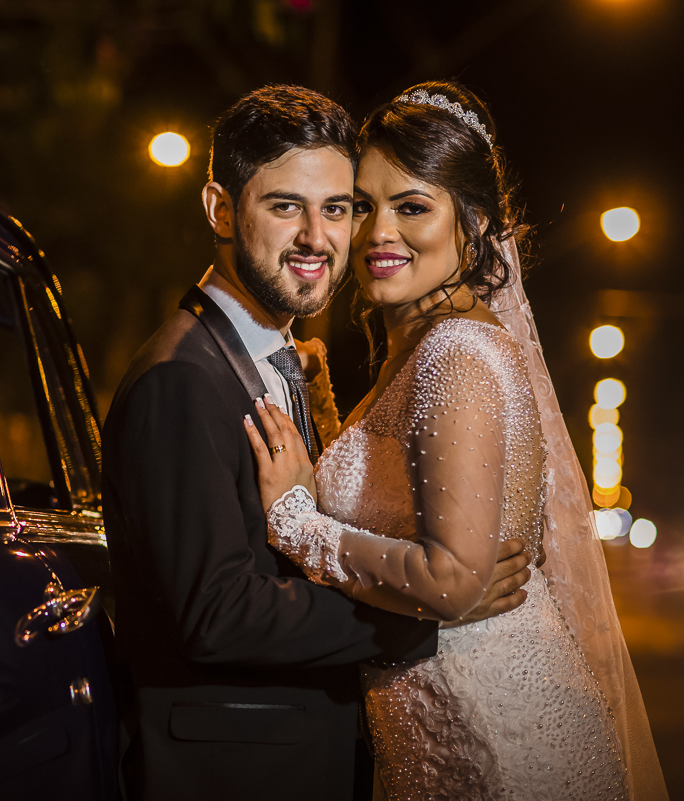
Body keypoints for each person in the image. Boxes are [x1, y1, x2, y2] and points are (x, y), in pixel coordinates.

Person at [102, 84, 533, 801]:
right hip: (231, 771)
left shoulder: (277, 360)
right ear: (219, 208)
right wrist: (421, 621)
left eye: (337, 209)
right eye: (284, 206)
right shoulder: (181, 379)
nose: (318, 238)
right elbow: (220, 615)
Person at [244, 81, 668, 800]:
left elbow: (453, 578)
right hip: (448, 729)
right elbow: (409, 515)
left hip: (492, 745)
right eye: (363, 206)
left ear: (472, 222)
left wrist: (295, 522)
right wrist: (324, 409)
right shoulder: (426, 346)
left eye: (413, 207)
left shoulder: (456, 355)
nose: (380, 233)